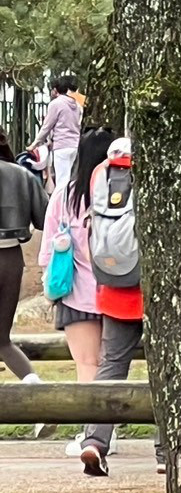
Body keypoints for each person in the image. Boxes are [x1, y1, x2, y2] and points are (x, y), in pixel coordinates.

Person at [79, 137, 154, 477]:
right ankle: (168, 451)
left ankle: (94, 440)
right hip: (153, 289)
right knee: (164, 371)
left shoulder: (100, 174)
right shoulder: (153, 171)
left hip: (112, 286)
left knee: (111, 366)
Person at [38, 128, 112, 454]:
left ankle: (91, 436)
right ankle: (106, 434)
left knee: (86, 364)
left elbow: (46, 255)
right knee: (111, 364)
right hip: (117, 292)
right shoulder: (120, 196)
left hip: (75, 294)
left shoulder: (64, 196)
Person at [0, 130, 48, 389]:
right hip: (10, 257)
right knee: (3, 341)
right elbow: (44, 218)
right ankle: (37, 396)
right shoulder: (22, 175)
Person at [28, 75, 82, 192]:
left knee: (62, 182)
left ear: (56, 90)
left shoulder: (56, 104)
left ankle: (61, 209)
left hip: (61, 146)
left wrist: (34, 144)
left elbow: (46, 127)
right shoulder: (77, 106)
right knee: (72, 181)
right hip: (75, 146)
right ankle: (70, 207)